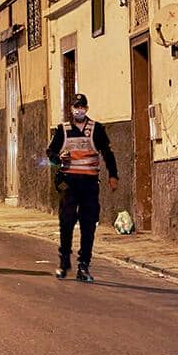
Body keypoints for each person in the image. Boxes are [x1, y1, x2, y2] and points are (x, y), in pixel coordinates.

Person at [46, 93, 118, 282]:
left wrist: (113, 175)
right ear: (71, 109)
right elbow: (50, 152)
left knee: (88, 225)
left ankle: (84, 265)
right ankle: (64, 262)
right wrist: (58, 158)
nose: (79, 110)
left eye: (82, 107)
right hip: (69, 183)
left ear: (86, 109)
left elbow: (107, 153)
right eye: (76, 107)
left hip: (89, 184)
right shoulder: (63, 130)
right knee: (66, 222)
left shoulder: (96, 129)